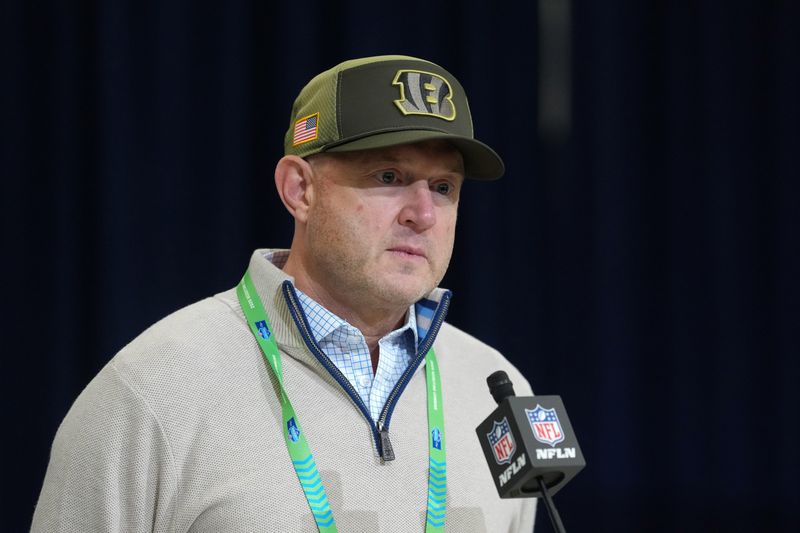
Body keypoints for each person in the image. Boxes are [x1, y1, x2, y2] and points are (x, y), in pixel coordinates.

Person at [32, 55, 536, 532]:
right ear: (299, 189)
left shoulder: (498, 391)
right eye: (389, 177)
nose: (422, 214)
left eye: (444, 188)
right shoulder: (152, 389)